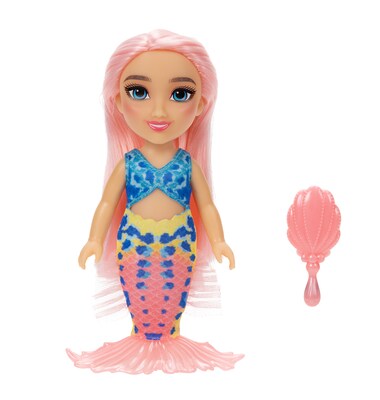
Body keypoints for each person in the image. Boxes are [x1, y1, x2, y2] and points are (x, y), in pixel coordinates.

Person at [67, 30, 244, 374]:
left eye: (180, 94)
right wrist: (94, 240)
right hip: (134, 242)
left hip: (180, 242)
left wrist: (219, 241)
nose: (159, 110)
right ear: (118, 102)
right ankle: (140, 335)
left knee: (172, 295)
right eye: (139, 92)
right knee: (140, 294)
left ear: (201, 104)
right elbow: (107, 204)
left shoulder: (188, 164)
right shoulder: (129, 163)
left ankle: (171, 336)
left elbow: (207, 205)